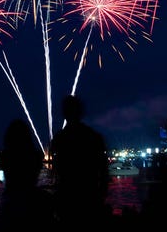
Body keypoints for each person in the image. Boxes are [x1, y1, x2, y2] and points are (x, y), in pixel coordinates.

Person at [49, 94, 110, 230]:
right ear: (81, 112)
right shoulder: (94, 137)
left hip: (67, 199)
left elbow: (55, 174)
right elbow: (104, 173)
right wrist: (100, 196)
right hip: (90, 198)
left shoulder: (59, 140)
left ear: (64, 113)